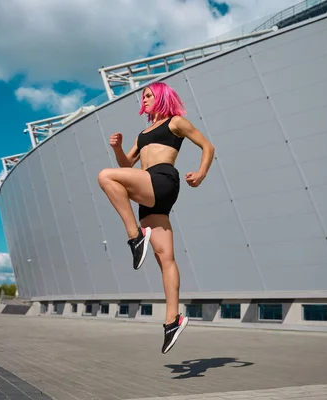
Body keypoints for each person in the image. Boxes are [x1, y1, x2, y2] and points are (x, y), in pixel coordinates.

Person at [97, 81, 215, 354]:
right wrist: (118, 148)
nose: (145, 99)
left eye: (149, 95)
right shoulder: (142, 133)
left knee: (105, 176)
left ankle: (135, 236)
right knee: (165, 258)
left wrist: (200, 174)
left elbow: (208, 147)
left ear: (162, 96)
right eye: (143, 96)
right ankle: (172, 320)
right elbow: (126, 166)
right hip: (148, 191)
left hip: (162, 179)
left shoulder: (176, 123)